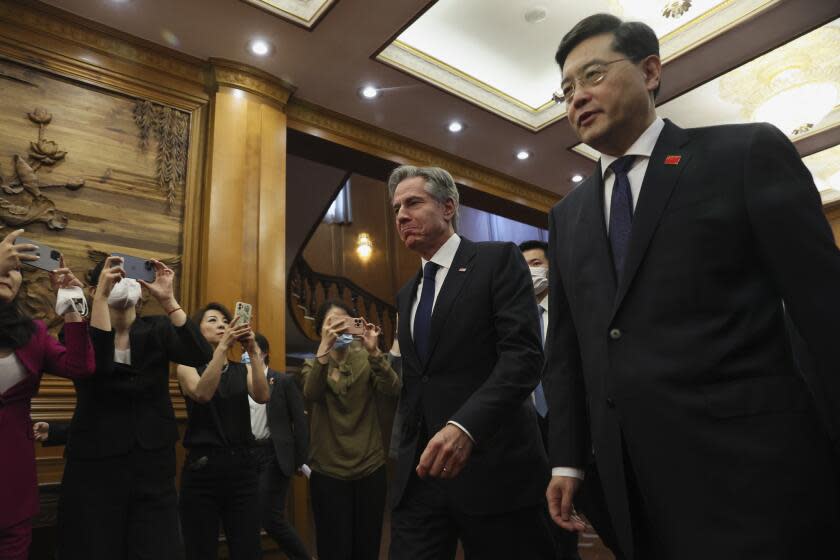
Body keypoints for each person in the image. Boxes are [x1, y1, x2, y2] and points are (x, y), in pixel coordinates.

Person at [543, 13, 840, 560]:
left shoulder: (742, 155)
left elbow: (823, 308)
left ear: (650, 71)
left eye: (593, 75)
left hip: (752, 472)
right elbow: (566, 349)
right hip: (633, 485)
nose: (576, 97)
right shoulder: (567, 216)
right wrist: (567, 459)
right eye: (565, 90)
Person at [387, 165, 553, 559]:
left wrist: (465, 426)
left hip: (494, 471)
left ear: (448, 207)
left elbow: (524, 357)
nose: (401, 216)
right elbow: (419, 382)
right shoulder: (407, 293)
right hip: (422, 480)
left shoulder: (497, 260)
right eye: (396, 209)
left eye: (413, 202)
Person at [57, 255, 212, 560]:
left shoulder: (157, 329)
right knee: (95, 546)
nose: (123, 280)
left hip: (152, 464)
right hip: (95, 464)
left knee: (155, 547)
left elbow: (198, 353)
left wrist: (169, 301)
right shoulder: (77, 333)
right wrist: (100, 300)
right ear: (94, 287)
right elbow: (96, 368)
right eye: (113, 274)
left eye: (129, 276)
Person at [0, 232, 94, 560]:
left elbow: (80, 366)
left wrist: (71, 303)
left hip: (12, 478)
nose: (6, 274)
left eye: (13, 270)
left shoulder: (34, 333)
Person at [301, 299, 400, 560]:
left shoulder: (365, 358)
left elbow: (393, 390)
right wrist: (324, 348)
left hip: (370, 467)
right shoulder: (314, 363)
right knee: (334, 548)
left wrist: (375, 352)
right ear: (321, 329)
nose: (338, 328)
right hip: (328, 471)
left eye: (343, 322)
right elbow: (311, 392)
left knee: (367, 546)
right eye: (331, 323)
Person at [177, 303, 270, 560]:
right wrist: (222, 348)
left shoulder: (244, 369)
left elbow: (263, 396)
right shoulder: (186, 367)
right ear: (197, 330)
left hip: (242, 469)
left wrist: (252, 350)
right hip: (202, 471)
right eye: (212, 320)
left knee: (248, 549)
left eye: (225, 320)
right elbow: (202, 393)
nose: (221, 324)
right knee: (201, 549)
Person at [518, 240, 581, 560]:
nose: (530, 272)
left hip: (569, 423)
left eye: (535, 263)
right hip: (530, 427)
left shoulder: (570, 309)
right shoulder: (516, 319)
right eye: (523, 266)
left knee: (574, 508)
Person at [248, 332, 311, 560]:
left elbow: (300, 422)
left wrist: (300, 459)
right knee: (247, 519)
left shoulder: (282, 381)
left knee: (270, 517)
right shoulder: (239, 379)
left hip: (274, 455)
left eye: (251, 348)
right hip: (246, 455)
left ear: (264, 353)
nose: (246, 353)